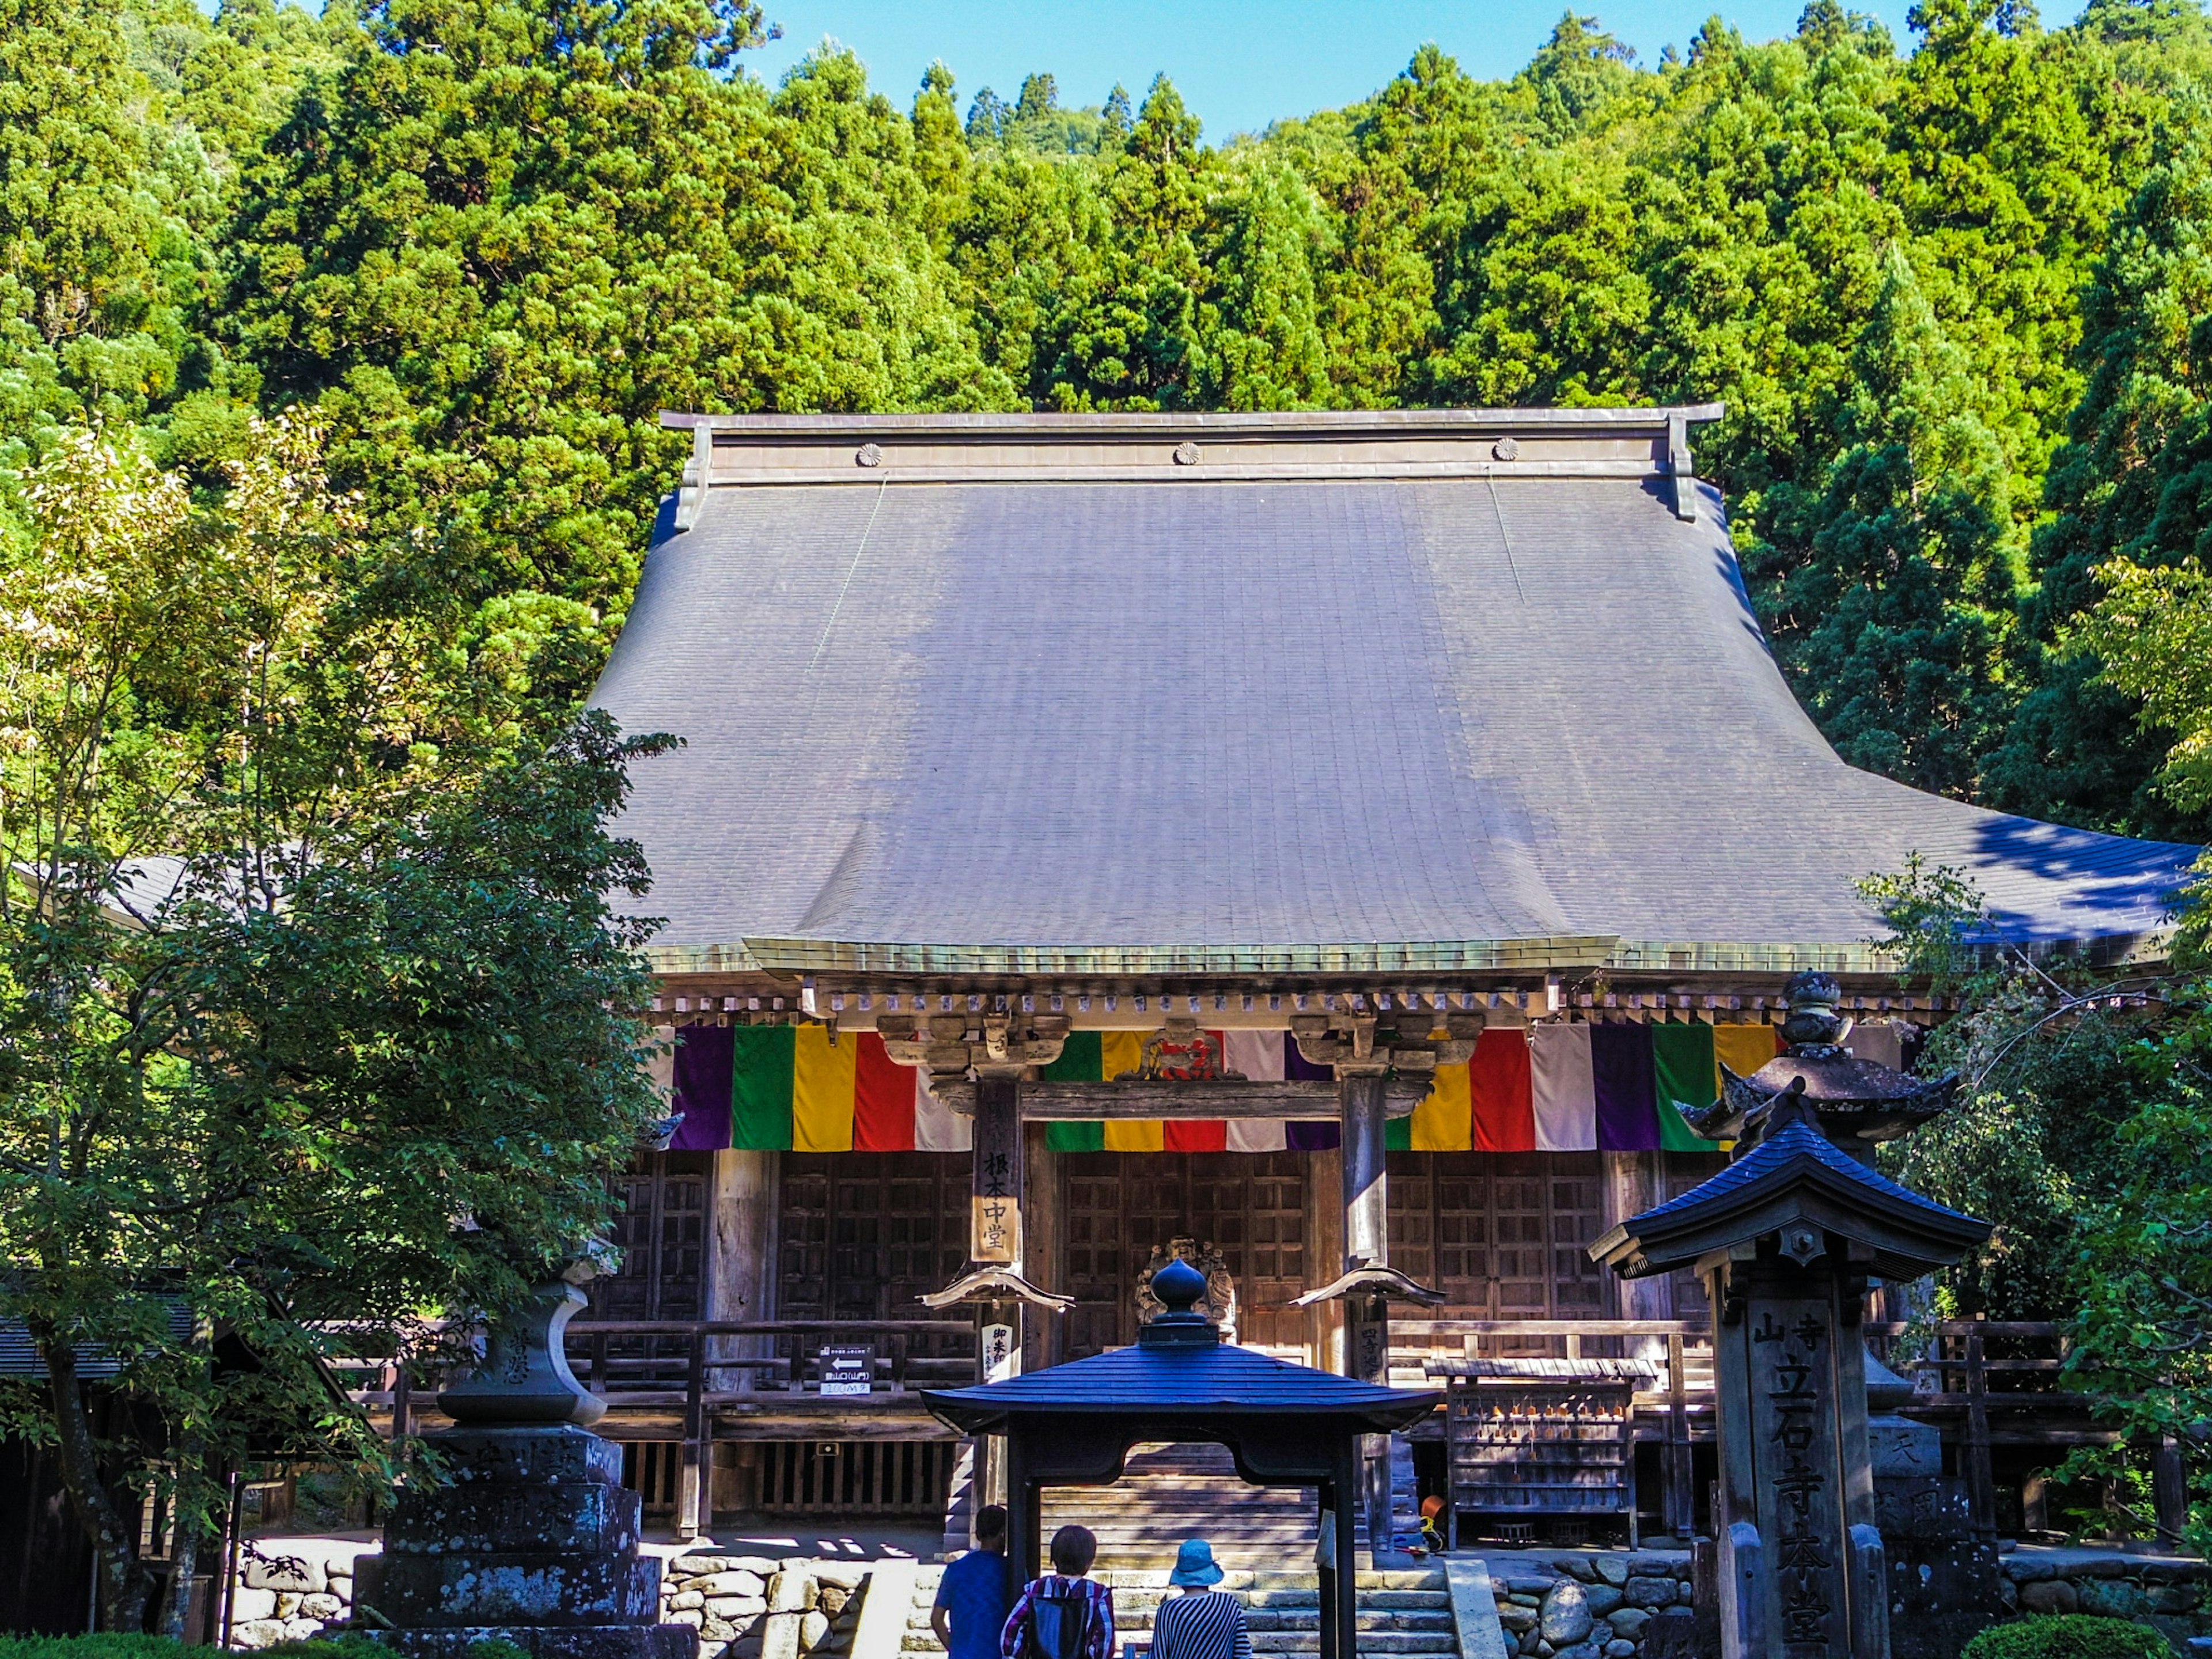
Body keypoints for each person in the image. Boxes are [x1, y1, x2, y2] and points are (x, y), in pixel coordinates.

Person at [1000, 1524, 1113, 1659]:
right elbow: (1105, 1640)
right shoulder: (1098, 1594)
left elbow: (1012, 1630)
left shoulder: (1035, 1589)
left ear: (1054, 1557)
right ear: (1089, 1560)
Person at [934, 1505, 1014, 1659]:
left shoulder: (955, 1569)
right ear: (1004, 1533)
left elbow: (937, 1619)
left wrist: (955, 1648)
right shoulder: (1011, 1571)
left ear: (978, 1535)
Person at [1149, 1540, 1249, 1659]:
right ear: (1209, 1574)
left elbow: (1158, 1655)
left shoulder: (1168, 1610)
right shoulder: (1229, 1604)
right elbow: (1243, 1652)